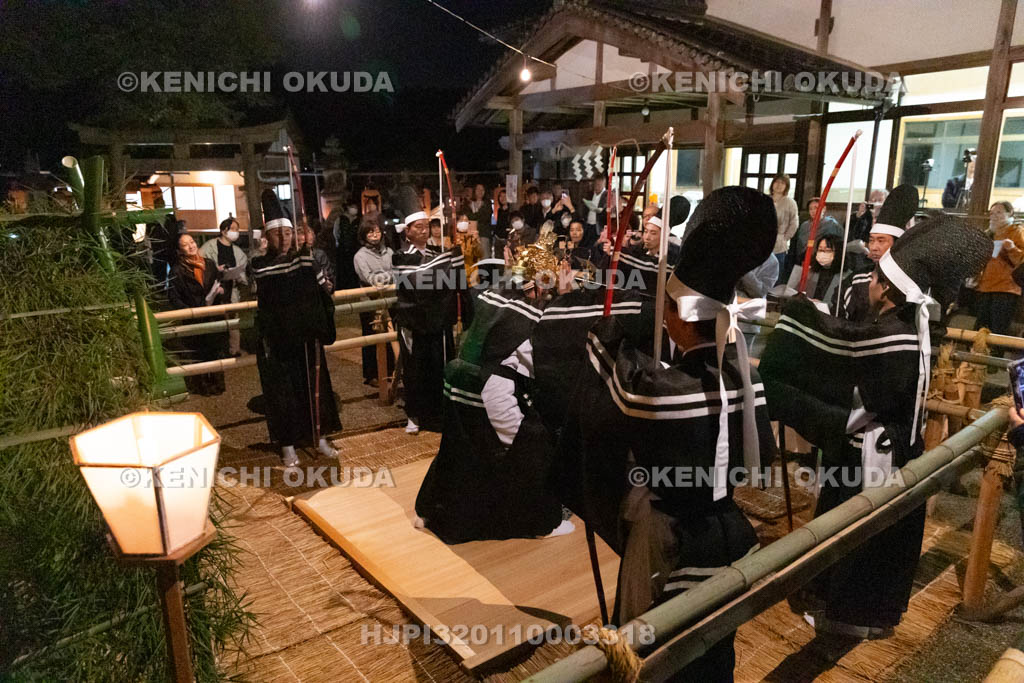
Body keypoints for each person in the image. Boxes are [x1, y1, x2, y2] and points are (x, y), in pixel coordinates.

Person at [564, 186, 779, 680]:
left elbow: (605, 358)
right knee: (713, 646)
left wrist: (606, 313)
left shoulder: (660, 391)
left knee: (651, 650)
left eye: (667, 308)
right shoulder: (746, 377)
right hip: (728, 529)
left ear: (680, 321)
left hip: (671, 538)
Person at [761, 213, 990, 639]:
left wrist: (799, 316)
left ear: (885, 288)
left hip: (871, 455)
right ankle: (871, 616)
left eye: (874, 278)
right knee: (883, 543)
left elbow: (842, 356)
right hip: (901, 449)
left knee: (855, 538)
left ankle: (844, 619)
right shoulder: (909, 328)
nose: (867, 282)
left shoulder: (890, 335)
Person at [414, 256, 572, 542]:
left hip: (455, 389)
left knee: (455, 452)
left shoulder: (491, 297)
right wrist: (566, 300)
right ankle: (542, 522)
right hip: (489, 395)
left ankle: (431, 510)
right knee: (535, 444)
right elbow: (545, 365)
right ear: (536, 287)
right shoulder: (529, 315)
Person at [250, 189, 341, 467]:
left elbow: (322, 292)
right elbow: (267, 301)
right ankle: (287, 443)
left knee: (314, 387)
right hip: (279, 340)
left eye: (288, 233)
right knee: (283, 393)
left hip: (306, 336)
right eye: (278, 234)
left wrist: (319, 281)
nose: (284, 239)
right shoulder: (260, 266)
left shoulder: (306, 259)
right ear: (267, 237)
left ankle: (319, 436)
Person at [391, 211, 466, 433]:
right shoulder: (400, 255)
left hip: (438, 319)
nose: (424, 231)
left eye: (426, 226)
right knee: (415, 368)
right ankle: (414, 414)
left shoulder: (438, 253)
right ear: (408, 231)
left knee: (439, 365)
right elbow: (414, 284)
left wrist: (454, 259)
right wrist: (441, 269)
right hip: (415, 321)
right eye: (419, 227)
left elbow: (453, 280)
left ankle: (438, 412)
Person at [835, 184, 919, 322]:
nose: (874, 247)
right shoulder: (857, 278)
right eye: (871, 240)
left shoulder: (909, 282)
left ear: (897, 245)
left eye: (881, 241)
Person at [167, 233, 226, 396]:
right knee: (198, 352)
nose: (191, 246)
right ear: (179, 250)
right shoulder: (176, 271)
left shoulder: (209, 264)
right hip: (193, 319)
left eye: (192, 242)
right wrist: (189, 312)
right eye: (186, 244)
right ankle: (203, 386)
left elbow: (219, 283)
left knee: (215, 350)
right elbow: (173, 297)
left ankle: (218, 383)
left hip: (213, 315)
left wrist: (220, 292)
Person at [353, 218, 396, 387]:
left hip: (389, 300)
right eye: (370, 232)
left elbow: (397, 272)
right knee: (370, 339)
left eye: (377, 231)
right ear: (364, 235)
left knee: (390, 336)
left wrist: (383, 277)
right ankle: (371, 374)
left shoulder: (389, 252)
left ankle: (391, 371)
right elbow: (369, 278)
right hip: (369, 302)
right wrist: (388, 276)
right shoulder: (360, 256)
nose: (374, 235)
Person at [199, 217, 249, 357]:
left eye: (237, 230)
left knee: (233, 320)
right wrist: (216, 270)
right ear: (223, 230)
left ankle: (234, 349)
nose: (236, 232)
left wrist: (237, 274)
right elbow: (201, 263)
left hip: (231, 288)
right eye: (233, 229)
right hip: (214, 289)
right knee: (216, 320)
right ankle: (218, 350)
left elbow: (243, 270)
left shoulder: (237, 251)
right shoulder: (210, 246)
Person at [975, 201, 1024, 335]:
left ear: (1010, 214)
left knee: (997, 330)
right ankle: (977, 355)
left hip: (1006, 288)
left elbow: (1022, 261)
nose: (994, 216)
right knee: (981, 329)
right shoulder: (989, 234)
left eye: (999, 212)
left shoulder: (1017, 231)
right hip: (985, 286)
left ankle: (994, 354)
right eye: (992, 213)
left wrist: (1012, 248)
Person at [784, 197, 842, 284]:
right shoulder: (804, 226)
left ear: (824, 208)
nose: (813, 211)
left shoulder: (831, 224)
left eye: (816, 207)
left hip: (822, 263)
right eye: (810, 209)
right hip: (804, 261)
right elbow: (799, 246)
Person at [785, 234, 842, 309]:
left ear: (838, 252)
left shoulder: (845, 277)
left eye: (828, 250)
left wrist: (822, 304)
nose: (822, 253)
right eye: (820, 249)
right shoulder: (811, 271)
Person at [769, 173, 799, 282]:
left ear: (786, 186)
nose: (779, 185)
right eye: (777, 182)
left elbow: (794, 223)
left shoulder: (790, 202)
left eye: (783, 183)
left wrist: (784, 238)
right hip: (763, 242)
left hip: (779, 244)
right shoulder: (766, 199)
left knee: (777, 273)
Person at [334, 200, 361, 291]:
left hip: (355, 249)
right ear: (348, 208)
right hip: (342, 250)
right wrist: (339, 243)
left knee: (354, 271)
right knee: (343, 271)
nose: (354, 209)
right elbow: (336, 232)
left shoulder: (359, 220)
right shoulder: (341, 219)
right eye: (353, 207)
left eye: (356, 207)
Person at [466, 183, 492, 259]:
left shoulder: (487, 204)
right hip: (471, 234)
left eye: (482, 190)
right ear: (475, 191)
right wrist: (478, 215)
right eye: (478, 189)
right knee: (473, 258)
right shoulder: (469, 204)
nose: (480, 191)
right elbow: (467, 216)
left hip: (483, 233)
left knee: (485, 257)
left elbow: (485, 217)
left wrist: (474, 216)